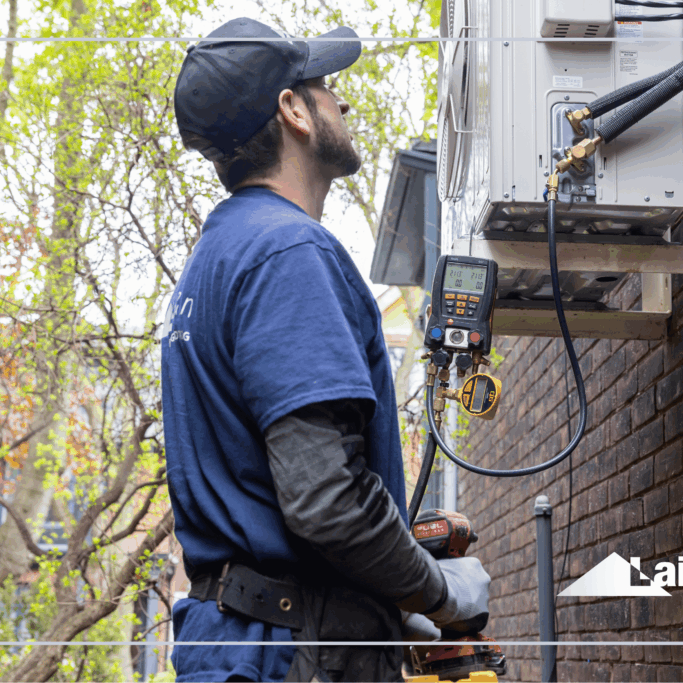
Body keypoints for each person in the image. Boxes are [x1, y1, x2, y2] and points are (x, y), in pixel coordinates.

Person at [161, 18, 492, 683]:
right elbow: (324, 500)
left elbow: (257, 496)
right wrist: (435, 589)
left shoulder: (215, 258)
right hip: (287, 652)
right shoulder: (288, 253)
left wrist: (383, 606)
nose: (343, 101)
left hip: (242, 642)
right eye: (325, 86)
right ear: (294, 111)